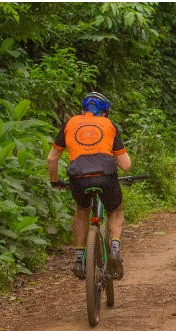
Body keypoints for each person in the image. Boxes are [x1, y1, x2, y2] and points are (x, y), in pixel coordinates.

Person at [47, 92, 133, 280]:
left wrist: (54, 181)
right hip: (106, 176)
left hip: (79, 177)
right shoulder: (109, 125)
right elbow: (126, 165)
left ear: (83, 110)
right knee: (115, 210)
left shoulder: (70, 124)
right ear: (105, 112)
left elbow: (51, 158)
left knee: (82, 210)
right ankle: (116, 249)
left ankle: (79, 259)